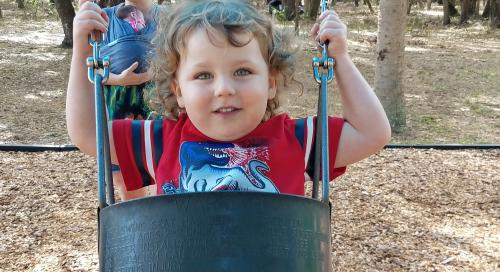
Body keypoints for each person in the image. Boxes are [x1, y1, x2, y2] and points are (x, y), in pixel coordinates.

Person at [67, 0, 391, 196]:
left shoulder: (296, 141)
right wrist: (82, 52)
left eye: (242, 72)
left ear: (272, 84)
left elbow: (372, 134)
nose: (224, 88)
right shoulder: (161, 142)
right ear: (179, 92)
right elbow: (86, 133)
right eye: (203, 75)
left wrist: (342, 60)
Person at [72, 0, 159, 200]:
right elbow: (92, 69)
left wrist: (150, 76)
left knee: (162, 172)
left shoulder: (170, 18)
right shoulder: (102, 18)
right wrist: (119, 79)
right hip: (120, 106)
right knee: (124, 178)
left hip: (158, 106)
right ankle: (135, 224)